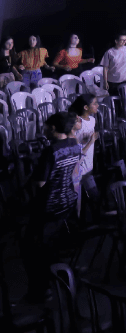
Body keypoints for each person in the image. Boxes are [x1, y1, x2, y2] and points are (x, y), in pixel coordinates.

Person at [23, 112, 82, 302]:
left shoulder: (51, 151)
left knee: (31, 249)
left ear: (54, 128)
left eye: (46, 126)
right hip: (67, 203)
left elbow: (40, 183)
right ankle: (61, 280)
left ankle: (41, 291)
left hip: (49, 207)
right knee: (50, 245)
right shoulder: (75, 145)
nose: (44, 129)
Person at [99, 31, 126, 96]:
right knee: (114, 99)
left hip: (125, 79)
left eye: (125, 40)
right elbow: (105, 68)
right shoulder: (109, 52)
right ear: (116, 41)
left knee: (125, 98)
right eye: (122, 40)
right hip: (113, 81)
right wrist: (105, 82)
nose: (124, 42)